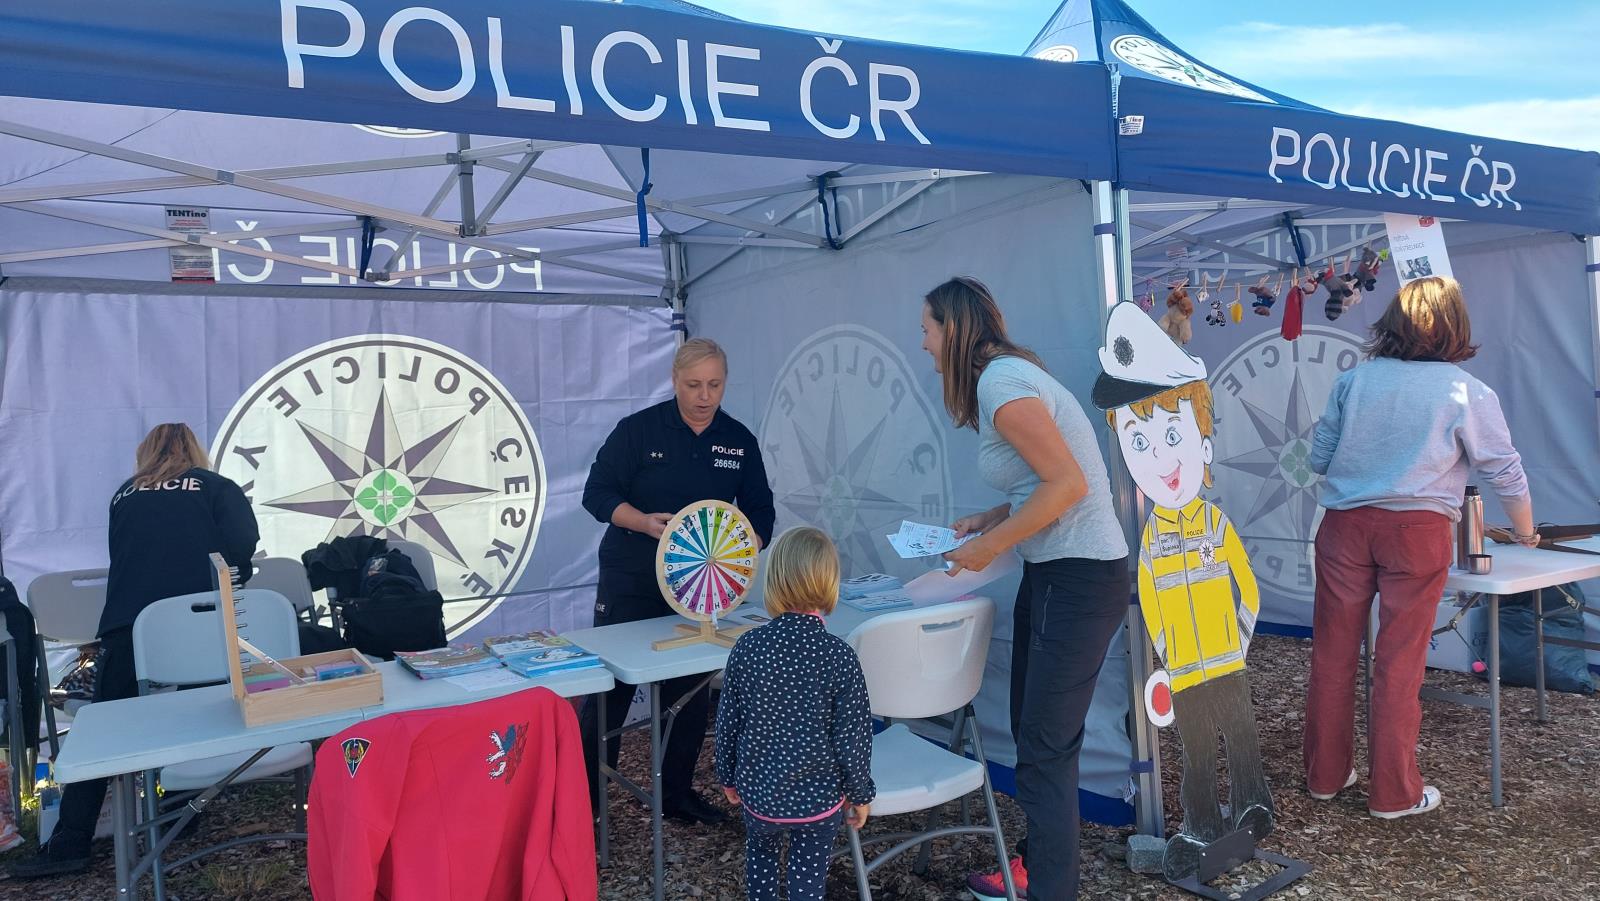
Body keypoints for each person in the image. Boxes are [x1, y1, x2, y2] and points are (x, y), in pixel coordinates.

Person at [919, 277, 1130, 901]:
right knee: (1032, 731)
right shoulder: (1005, 376)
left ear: (953, 330)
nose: (923, 344)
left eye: (927, 330)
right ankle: (1036, 864)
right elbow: (1042, 481)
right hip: (1054, 573)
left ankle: (1050, 887)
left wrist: (990, 547)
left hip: (1079, 577)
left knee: (1043, 746)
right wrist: (992, 518)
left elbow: (1069, 485)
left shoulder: (1001, 383)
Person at [1305, 276, 1538, 819]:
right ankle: (1394, 794)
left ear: (1392, 322)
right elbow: (1506, 472)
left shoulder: (1353, 381)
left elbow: (1318, 459)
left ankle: (1324, 776)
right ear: (1455, 326)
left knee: (1333, 654)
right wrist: (1526, 533)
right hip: (1417, 531)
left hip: (1343, 525)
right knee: (1399, 661)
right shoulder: (1468, 392)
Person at [12, 423, 259, 878]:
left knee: (105, 727)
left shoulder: (124, 494)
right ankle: (183, 806)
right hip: (198, 620)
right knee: (199, 708)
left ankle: (70, 842)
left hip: (130, 625)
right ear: (194, 450)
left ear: (145, 453)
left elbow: (129, 557)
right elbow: (242, 547)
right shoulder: (216, 487)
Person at [1093, 302, 1273, 880]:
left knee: (1240, 735)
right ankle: (1199, 828)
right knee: (1196, 750)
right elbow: (1150, 601)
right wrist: (1167, 658)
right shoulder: (1151, 539)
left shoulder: (1215, 524)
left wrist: (1238, 639)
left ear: (1203, 443)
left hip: (1227, 660)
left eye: (1173, 434)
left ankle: (1252, 802)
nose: (1161, 459)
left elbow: (1247, 586)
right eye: (1139, 445)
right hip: (1187, 670)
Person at [580, 337, 776, 826]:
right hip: (631, 577)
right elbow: (596, 493)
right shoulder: (637, 430)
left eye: (714, 385)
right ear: (674, 380)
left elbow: (761, 512)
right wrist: (643, 522)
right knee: (610, 690)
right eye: (693, 385)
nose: (704, 396)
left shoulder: (738, 440)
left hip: (697, 586)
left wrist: (743, 544)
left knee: (689, 690)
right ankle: (587, 803)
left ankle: (676, 794)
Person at [714, 527, 873, 901]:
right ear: (830, 581)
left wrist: (727, 775)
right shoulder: (839, 656)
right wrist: (860, 792)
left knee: (761, 860)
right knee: (808, 880)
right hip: (818, 799)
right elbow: (852, 737)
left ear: (774, 580)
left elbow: (728, 722)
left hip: (759, 793)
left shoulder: (748, 646)